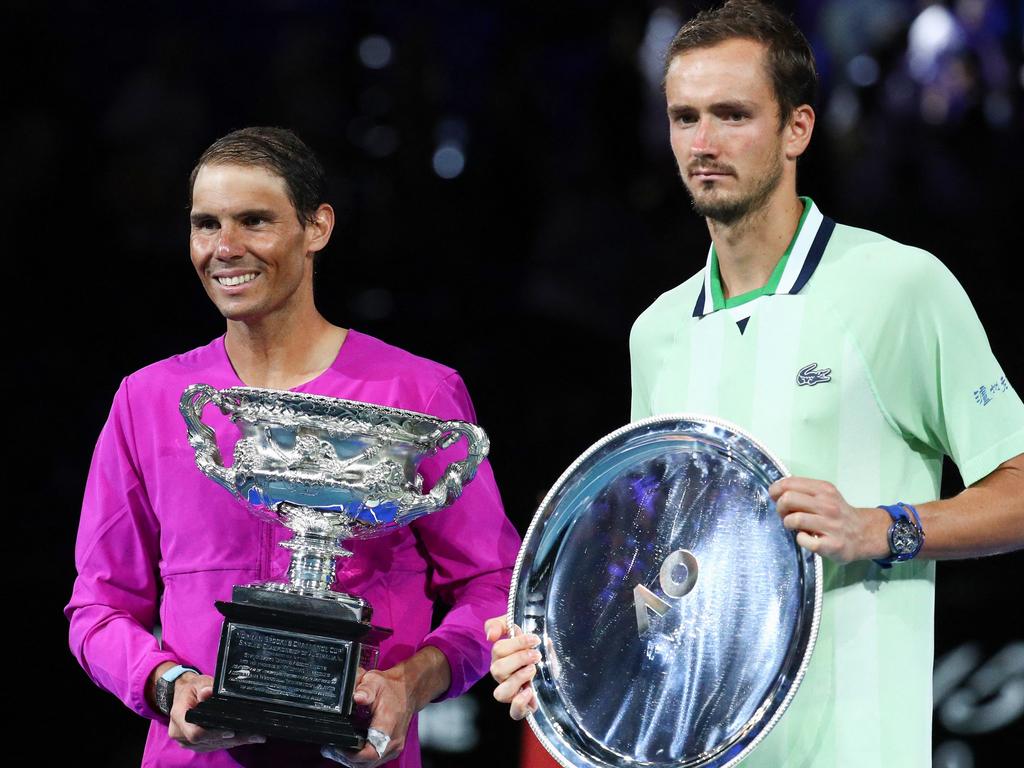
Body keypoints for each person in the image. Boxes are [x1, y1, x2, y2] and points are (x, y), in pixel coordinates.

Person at [486, 2, 1024, 766]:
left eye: (732, 115)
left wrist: (883, 529)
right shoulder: (658, 331)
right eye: (685, 117)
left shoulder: (900, 286)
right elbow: (658, 579)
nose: (702, 144)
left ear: (796, 129)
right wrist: (562, 654)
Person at [66, 126, 521, 768]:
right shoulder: (149, 399)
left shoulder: (415, 390)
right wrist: (166, 684)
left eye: (254, 221)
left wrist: (407, 687)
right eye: (205, 225)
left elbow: (493, 584)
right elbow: (98, 606)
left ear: (318, 228)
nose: (225, 248)